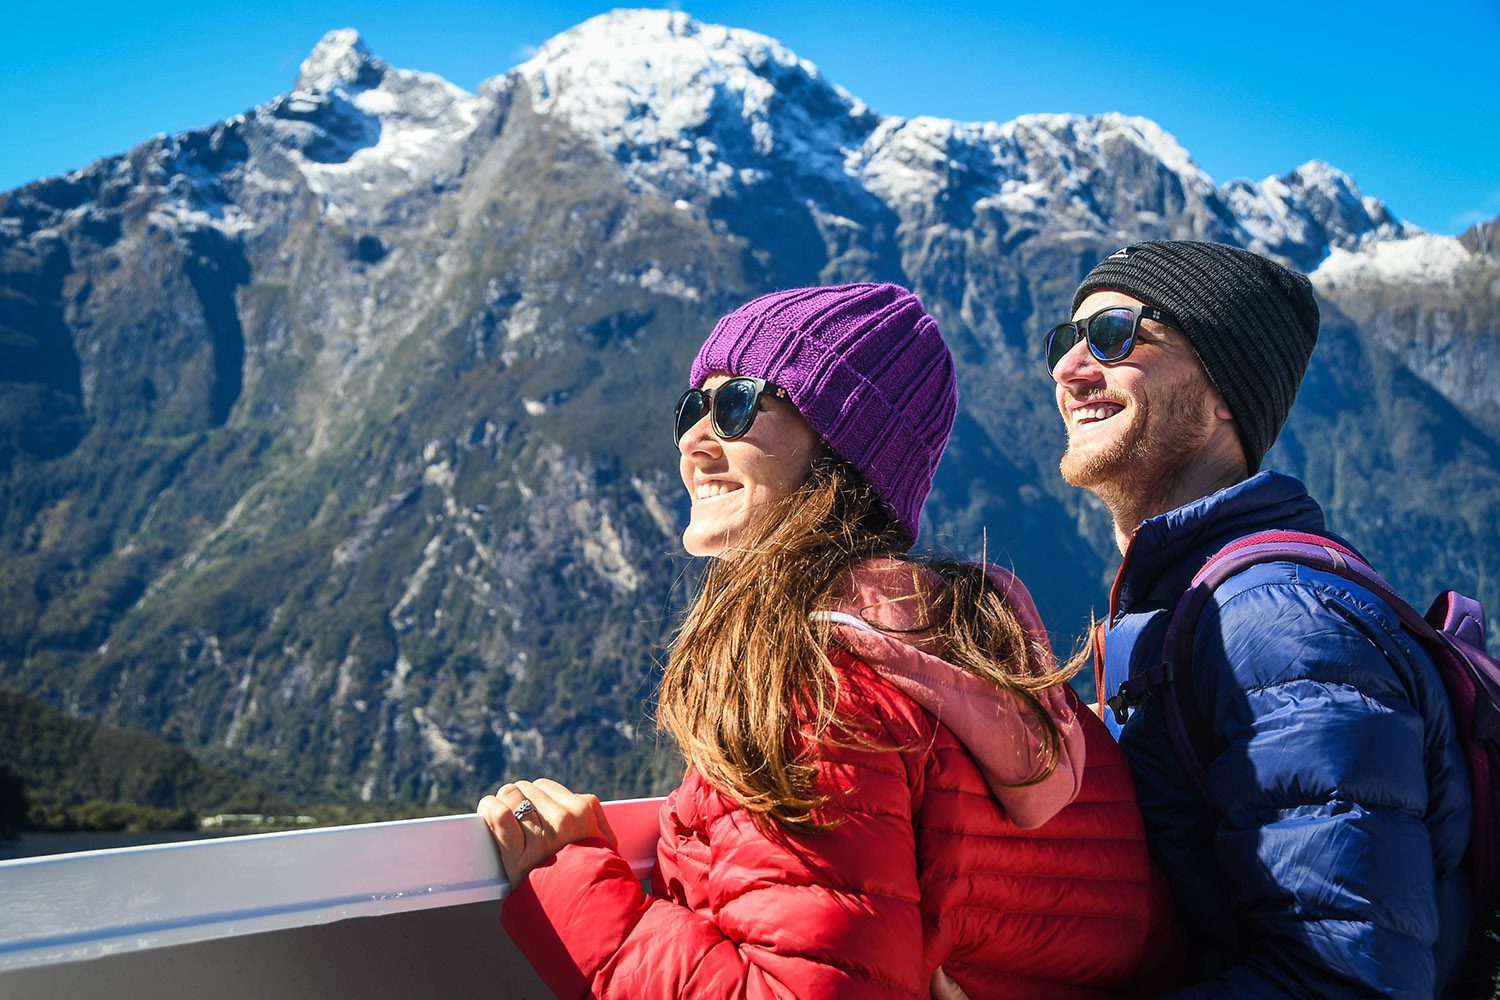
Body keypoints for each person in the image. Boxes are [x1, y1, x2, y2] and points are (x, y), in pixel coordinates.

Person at [479, 282, 1175, 998]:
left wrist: (569, 883)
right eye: (693, 407)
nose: (692, 438)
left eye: (737, 405)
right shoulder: (993, 667)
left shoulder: (814, 693)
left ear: (839, 444)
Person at [1047, 240, 1472, 997]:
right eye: (1066, 341)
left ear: (1223, 392)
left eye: (1113, 335)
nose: (1068, 370)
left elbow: (1349, 982)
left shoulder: (1278, 626)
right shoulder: (1187, 608)